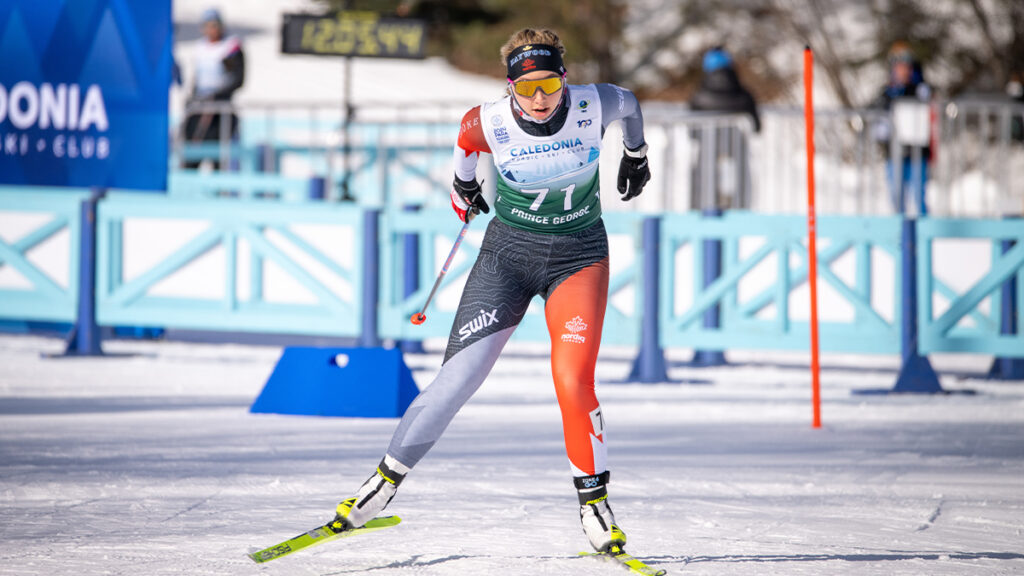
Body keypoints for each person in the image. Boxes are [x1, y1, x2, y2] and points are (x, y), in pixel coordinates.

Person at [330, 28, 651, 553]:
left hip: (578, 258)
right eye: (527, 90)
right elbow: (465, 143)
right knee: (456, 380)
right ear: (510, 90)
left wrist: (635, 154)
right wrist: (463, 185)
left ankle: (594, 506)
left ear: (564, 78)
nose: (541, 99)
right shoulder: (489, 121)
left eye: (548, 84)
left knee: (573, 381)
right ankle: (382, 484)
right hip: (507, 258)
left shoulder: (596, 103)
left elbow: (631, 105)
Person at [688, 47, 759, 210]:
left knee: (704, 175)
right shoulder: (743, 93)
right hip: (737, 144)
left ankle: (701, 207)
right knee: (739, 175)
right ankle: (740, 208)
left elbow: (692, 129)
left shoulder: (699, 94)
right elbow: (756, 124)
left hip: (708, 144)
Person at [870, 41, 932, 215]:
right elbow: (876, 115)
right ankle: (900, 236)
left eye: (906, 66)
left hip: (917, 153)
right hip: (894, 153)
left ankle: (922, 236)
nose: (903, 71)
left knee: (919, 198)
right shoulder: (886, 92)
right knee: (896, 198)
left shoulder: (920, 89)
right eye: (899, 67)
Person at [182, 8, 245, 169]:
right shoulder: (200, 48)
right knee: (192, 152)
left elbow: (237, 78)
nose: (212, 30)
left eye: (215, 26)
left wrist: (217, 96)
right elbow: (197, 79)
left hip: (219, 110)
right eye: (208, 26)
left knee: (218, 155)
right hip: (200, 108)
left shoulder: (229, 48)